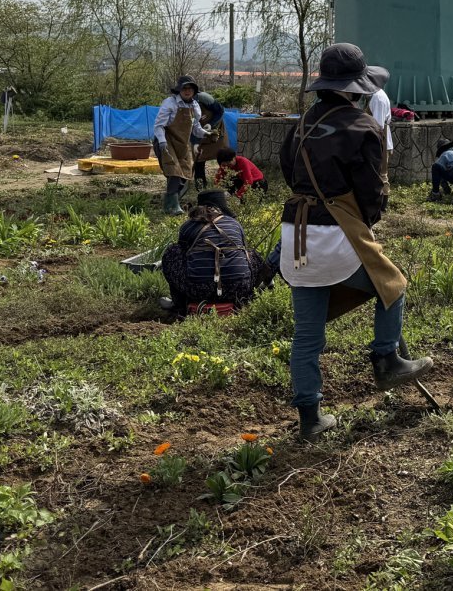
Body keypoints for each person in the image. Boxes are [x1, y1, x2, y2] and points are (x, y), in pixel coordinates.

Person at [280, 43, 431, 442]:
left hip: (294, 235)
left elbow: (287, 170)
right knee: (392, 286)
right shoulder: (363, 127)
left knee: (307, 336)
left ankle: (310, 419)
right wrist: (368, 219)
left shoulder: (301, 125)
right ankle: (386, 360)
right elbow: (371, 193)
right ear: (356, 87)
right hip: (336, 233)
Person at [158, 190, 271, 317]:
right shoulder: (234, 224)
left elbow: (181, 252)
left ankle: (179, 304)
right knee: (251, 254)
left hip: (198, 290)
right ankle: (248, 297)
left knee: (172, 252)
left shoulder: (188, 226)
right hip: (238, 288)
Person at [154, 76, 207, 215]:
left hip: (182, 143)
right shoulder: (170, 103)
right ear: (179, 90)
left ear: (194, 91)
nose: (187, 91)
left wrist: (206, 133)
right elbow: (159, 125)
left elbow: (196, 128)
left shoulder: (195, 106)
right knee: (174, 172)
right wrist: (162, 141)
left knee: (184, 173)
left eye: (190, 88)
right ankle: (173, 205)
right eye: (184, 88)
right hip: (166, 140)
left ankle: (170, 202)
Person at [366, 66, 394, 214]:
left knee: (380, 173)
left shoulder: (378, 98)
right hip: (379, 138)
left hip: (380, 139)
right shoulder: (374, 96)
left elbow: (377, 125)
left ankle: (382, 205)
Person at [193, 91, 226, 191]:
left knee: (223, 158)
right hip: (199, 132)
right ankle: (201, 188)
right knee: (198, 159)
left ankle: (227, 183)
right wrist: (194, 142)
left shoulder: (204, 98)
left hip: (216, 130)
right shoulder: (180, 104)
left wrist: (211, 124)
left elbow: (220, 111)